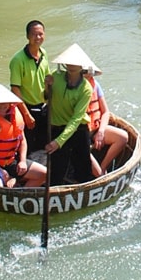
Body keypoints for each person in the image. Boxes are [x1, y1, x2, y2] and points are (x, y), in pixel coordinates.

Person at [0, 84, 47, 187]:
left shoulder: (15, 114)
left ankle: (21, 193)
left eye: (5, 102)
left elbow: (22, 140)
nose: (2, 106)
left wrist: (22, 161)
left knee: (44, 174)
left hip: (11, 161)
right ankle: (7, 181)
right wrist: (0, 171)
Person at [45, 43, 96, 185]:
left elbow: (76, 119)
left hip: (78, 129)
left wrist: (58, 142)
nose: (72, 65)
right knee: (57, 170)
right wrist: (46, 86)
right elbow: (45, 98)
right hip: (57, 126)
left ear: (82, 66)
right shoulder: (56, 77)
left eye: (76, 62)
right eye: (69, 62)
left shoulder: (86, 88)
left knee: (83, 168)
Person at [9, 19, 49, 152]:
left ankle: (43, 171)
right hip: (27, 108)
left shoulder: (43, 54)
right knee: (29, 146)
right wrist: (26, 115)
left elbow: (47, 80)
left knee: (44, 144)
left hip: (43, 107)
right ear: (27, 36)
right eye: (34, 34)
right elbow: (15, 89)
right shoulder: (18, 60)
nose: (38, 37)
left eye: (41, 34)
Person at [84, 64, 128, 176]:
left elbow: (105, 112)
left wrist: (101, 132)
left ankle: (103, 167)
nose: (88, 74)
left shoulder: (95, 85)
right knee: (82, 148)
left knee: (122, 137)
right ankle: (99, 175)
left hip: (94, 128)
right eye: (85, 72)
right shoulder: (72, 88)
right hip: (79, 132)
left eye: (89, 72)